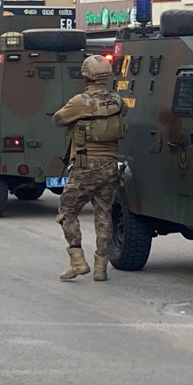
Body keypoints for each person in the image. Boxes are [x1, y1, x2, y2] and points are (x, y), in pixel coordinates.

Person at [53, 55, 128, 282]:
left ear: (86, 75)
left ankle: (77, 261)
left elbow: (58, 119)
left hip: (86, 165)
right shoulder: (118, 101)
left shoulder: (80, 102)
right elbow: (121, 114)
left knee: (67, 211)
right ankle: (101, 267)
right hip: (110, 166)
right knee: (103, 213)